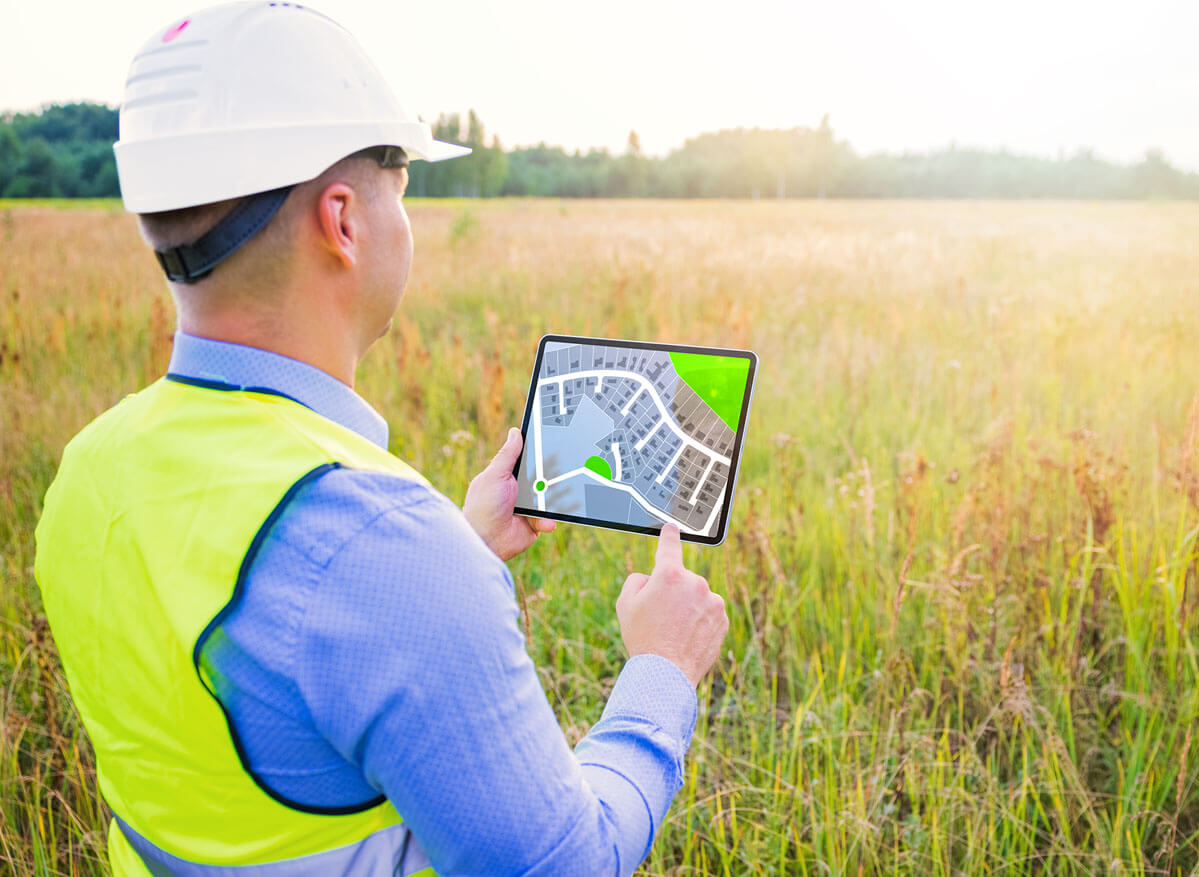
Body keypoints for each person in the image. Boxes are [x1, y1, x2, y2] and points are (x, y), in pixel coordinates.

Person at [33, 4, 729, 876]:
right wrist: (662, 667)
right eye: (400, 189)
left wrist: (461, 547)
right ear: (343, 221)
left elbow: (258, 691)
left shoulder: (89, 472)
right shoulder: (377, 545)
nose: (407, 221)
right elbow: (565, 863)